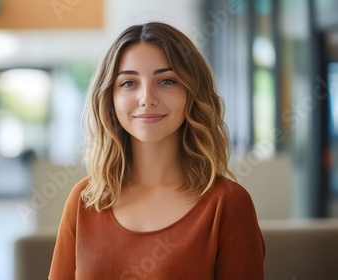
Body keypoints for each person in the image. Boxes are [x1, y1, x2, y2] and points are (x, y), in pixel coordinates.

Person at [49, 21, 265, 279]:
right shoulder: (84, 199)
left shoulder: (228, 204)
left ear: (192, 93)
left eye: (166, 80)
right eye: (129, 83)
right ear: (110, 99)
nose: (147, 98)